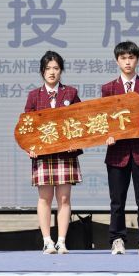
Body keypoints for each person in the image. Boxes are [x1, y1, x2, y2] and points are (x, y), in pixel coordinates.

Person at [102, 41, 139, 255]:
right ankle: (117, 239)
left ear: (137, 60)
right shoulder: (108, 88)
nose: (128, 62)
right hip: (117, 152)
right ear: (117, 61)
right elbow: (105, 118)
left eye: (131, 57)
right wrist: (107, 135)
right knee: (117, 200)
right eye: (123, 58)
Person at [24, 51, 82, 254]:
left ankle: (62, 241)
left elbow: (82, 121)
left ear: (61, 71)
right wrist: (30, 147)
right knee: (45, 198)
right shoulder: (34, 95)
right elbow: (27, 126)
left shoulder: (71, 93)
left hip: (65, 154)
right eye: (48, 68)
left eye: (56, 68)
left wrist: (76, 142)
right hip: (43, 154)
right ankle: (47, 240)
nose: (52, 72)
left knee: (64, 198)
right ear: (42, 71)